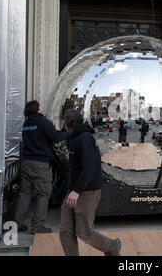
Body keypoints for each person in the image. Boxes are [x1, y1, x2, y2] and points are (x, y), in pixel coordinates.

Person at [59, 109, 121, 256]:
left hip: (86, 191)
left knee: (84, 233)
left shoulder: (84, 139)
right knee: (65, 230)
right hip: (74, 190)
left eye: (64, 124)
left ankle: (112, 247)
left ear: (68, 124)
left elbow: (89, 168)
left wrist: (76, 191)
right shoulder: (74, 137)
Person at [14, 100, 68, 234]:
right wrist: (67, 132)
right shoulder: (42, 122)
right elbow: (56, 137)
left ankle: (17, 224)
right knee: (43, 194)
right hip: (40, 164)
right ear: (37, 109)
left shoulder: (27, 124)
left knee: (25, 193)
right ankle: (37, 226)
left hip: (26, 162)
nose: (42, 108)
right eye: (40, 106)